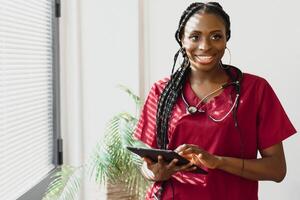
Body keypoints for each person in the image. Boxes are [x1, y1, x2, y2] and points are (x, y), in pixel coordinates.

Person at [133, 2, 297, 200]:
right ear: (181, 39)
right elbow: (148, 164)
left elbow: (277, 169)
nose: (205, 46)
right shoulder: (162, 91)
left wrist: (218, 161)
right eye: (195, 36)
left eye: (216, 36)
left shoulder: (255, 90)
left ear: (227, 37)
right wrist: (154, 173)